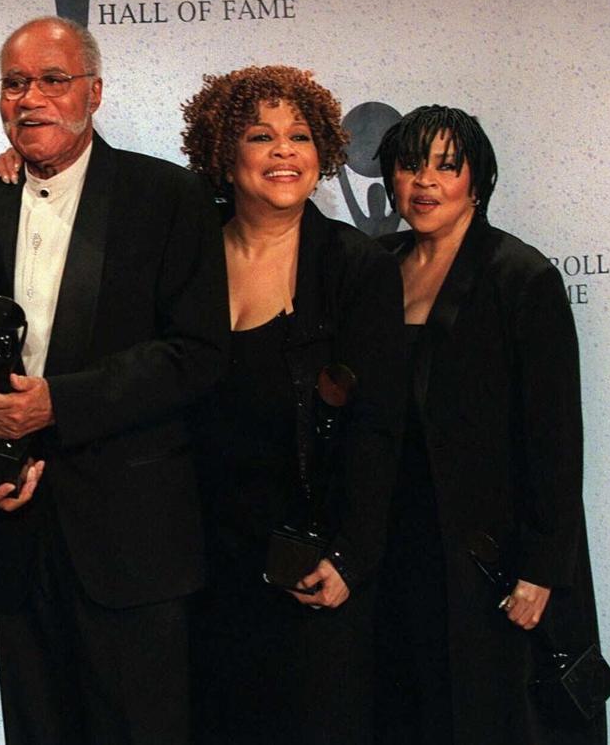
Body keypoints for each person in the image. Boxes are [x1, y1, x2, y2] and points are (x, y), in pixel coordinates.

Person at [0, 16, 225, 744]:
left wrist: (60, 403)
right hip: (20, 530)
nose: (31, 98)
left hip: (133, 538)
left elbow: (196, 352)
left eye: (52, 80)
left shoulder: (167, 196)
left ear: (93, 92)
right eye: (14, 82)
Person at [180, 65, 405, 744]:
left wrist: (351, 557)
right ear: (224, 154)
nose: (285, 151)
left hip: (311, 563)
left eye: (300, 136)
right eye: (260, 135)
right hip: (203, 568)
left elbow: (380, 425)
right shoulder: (182, 257)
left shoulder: (354, 267)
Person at [374, 105, 605, 744]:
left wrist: (542, 570)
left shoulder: (519, 276)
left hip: (496, 561)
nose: (425, 183)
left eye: (446, 167)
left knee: (496, 720)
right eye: (410, 166)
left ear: (478, 182)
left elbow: (556, 438)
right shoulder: (374, 266)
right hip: (404, 544)